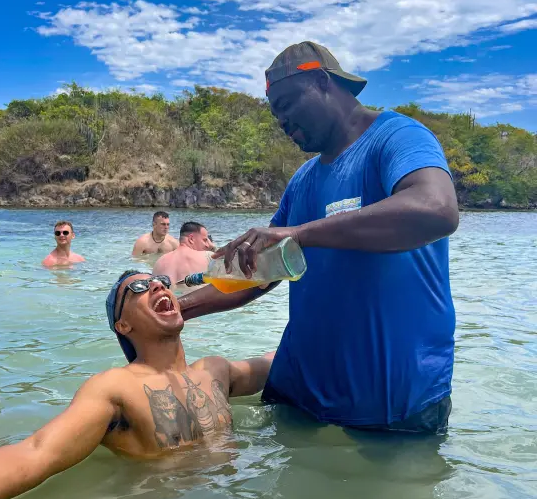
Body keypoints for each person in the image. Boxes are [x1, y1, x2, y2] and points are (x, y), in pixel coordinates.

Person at [178, 41, 460, 434]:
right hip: (300, 390)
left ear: (323, 82)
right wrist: (179, 310)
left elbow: (437, 209)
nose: (282, 121)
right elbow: (261, 272)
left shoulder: (398, 137)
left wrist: (300, 233)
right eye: (276, 114)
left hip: (394, 400)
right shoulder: (302, 180)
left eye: (287, 104)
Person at [0, 270, 273, 499]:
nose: (157, 286)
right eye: (138, 288)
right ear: (123, 326)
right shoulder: (115, 388)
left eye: (160, 281)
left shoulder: (216, 370)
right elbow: (37, 452)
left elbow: (284, 361)